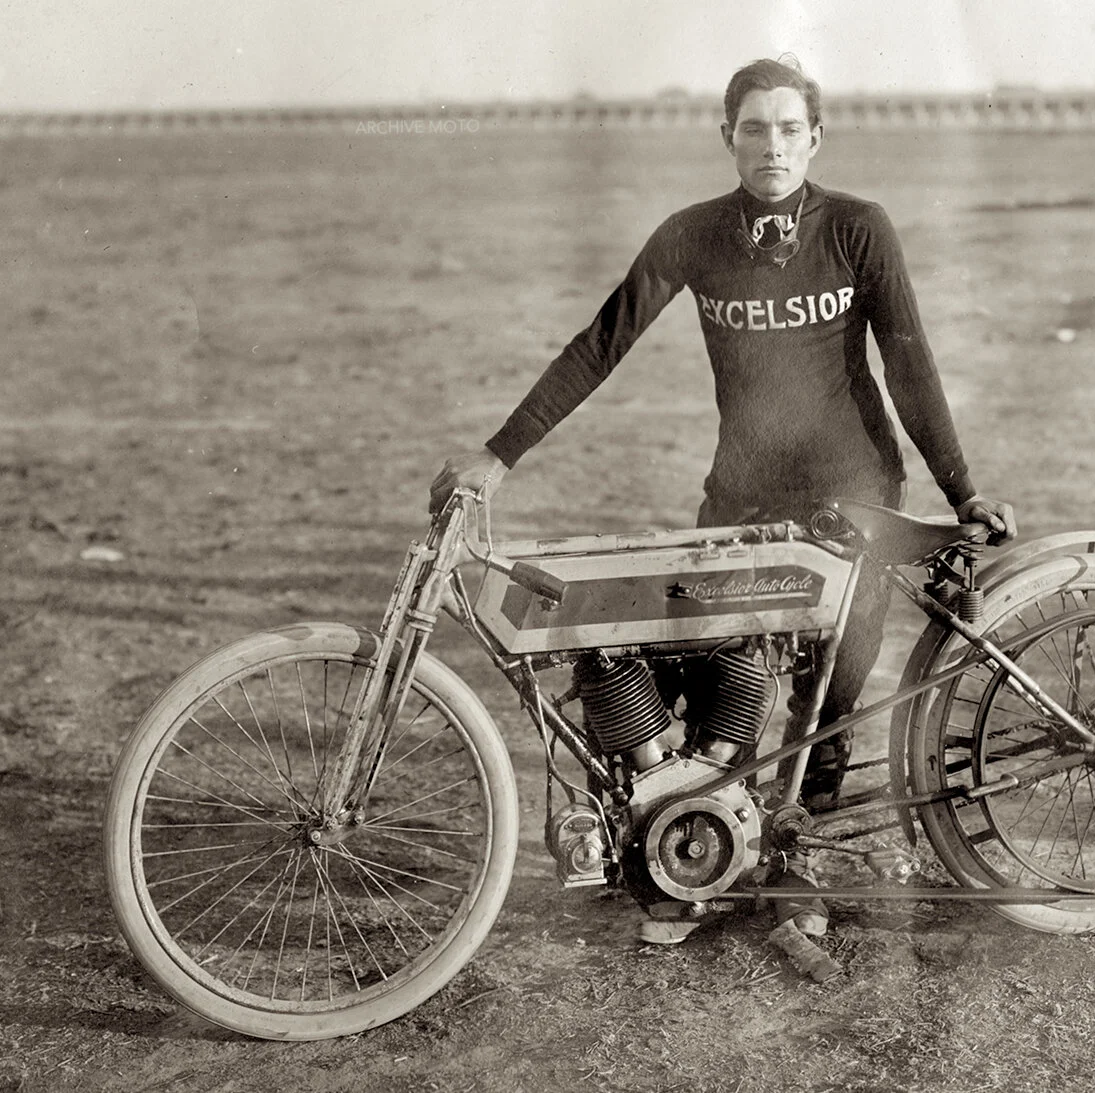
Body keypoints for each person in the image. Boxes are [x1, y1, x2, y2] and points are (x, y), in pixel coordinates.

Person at [430, 57, 1015, 944]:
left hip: (852, 499)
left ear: (814, 138)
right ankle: (697, 856)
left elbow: (909, 364)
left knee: (829, 707)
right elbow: (601, 344)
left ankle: (800, 876)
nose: (771, 144)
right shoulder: (693, 235)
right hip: (739, 501)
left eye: (789, 128)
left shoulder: (859, 229)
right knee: (717, 690)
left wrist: (963, 492)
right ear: (727, 136)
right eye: (753, 127)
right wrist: (497, 455)